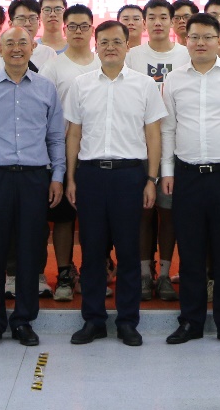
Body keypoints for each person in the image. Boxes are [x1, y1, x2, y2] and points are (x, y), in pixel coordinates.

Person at [160, 13, 220, 348]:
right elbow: (169, 128)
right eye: (194, 37)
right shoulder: (174, 79)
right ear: (185, 40)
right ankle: (190, 321)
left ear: (219, 41)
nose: (200, 43)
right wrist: (167, 172)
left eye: (207, 37)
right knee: (190, 251)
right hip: (187, 176)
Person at [64, 20, 166, 347]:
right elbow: (73, 134)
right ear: (96, 46)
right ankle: (93, 320)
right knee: (92, 251)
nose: (110, 47)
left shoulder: (145, 85)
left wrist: (151, 179)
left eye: (117, 42)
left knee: (129, 251)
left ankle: (127, 322)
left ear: (127, 46)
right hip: (91, 175)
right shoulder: (80, 85)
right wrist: (71, 177)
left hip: (129, 176)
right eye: (104, 42)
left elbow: (153, 135)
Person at [0, 26, 65, 348]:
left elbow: (56, 138)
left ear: (33, 48)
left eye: (23, 43)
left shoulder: (46, 88)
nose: (17, 48)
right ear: (0, 50)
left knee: (30, 251)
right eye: (10, 43)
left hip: (35, 178)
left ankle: (23, 320)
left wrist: (58, 176)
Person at [125, 0, 189, 301]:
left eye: (164, 17)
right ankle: (143, 273)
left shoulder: (186, 54)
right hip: (139, 145)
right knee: (143, 212)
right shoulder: (132, 56)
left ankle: (164, 273)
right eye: (151, 17)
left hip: (176, 145)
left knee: (169, 211)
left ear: (173, 21)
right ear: (144, 22)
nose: (158, 22)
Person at [38, 4, 99, 301]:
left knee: (93, 217)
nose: (77, 31)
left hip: (97, 151)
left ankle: (93, 270)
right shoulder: (53, 67)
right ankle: (64, 271)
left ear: (92, 29)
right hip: (62, 150)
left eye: (83, 26)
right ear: (64, 29)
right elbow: (42, 110)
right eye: (72, 26)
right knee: (63, 216)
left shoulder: (103, 62)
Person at [0, 0, 58, 71]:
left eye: (32, 18)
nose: (27, 24)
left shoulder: (49, 54)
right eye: (21, 19)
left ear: (39, 23)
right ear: (10, 24)